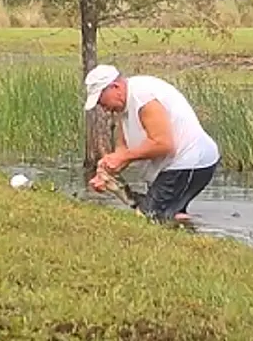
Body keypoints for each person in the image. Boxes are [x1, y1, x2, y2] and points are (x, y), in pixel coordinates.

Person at [84, 64, 221, 223]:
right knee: (167, 213)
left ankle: (194, 231)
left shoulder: (143, 98)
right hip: (172, 165)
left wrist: (124, 158)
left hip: (190, 161)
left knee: (149, 216)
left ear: (115, 87)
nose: (103, 107)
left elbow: (164, 144)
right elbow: (123, 147)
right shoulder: (124, 105)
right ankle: (185, 229)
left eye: (101, 100)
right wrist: (107, 171)